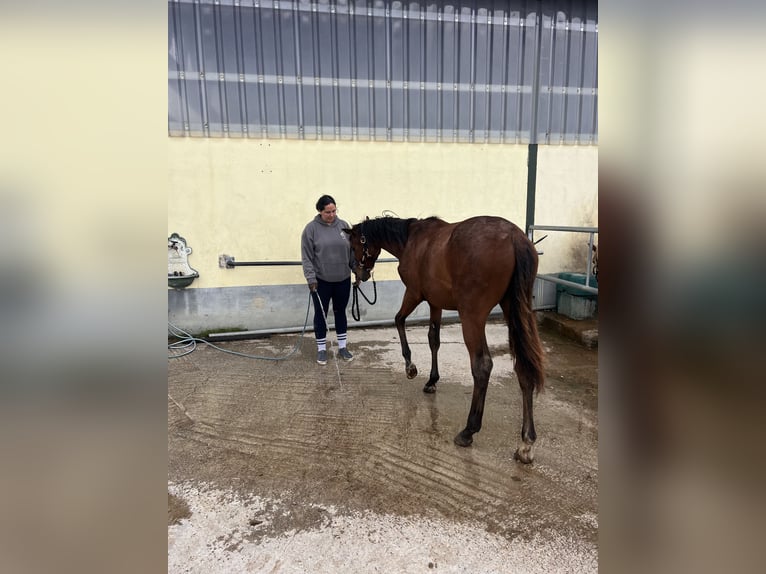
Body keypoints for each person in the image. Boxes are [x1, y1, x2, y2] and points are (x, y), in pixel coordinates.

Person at [301, 195, 357, 365]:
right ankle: (321, 350)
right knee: (321, 314)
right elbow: (307, 257)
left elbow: (352, 252)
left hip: (343, 279)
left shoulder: (344, 226)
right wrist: (311, 279)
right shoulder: (311, 229)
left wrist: (356, 270)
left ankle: (342, 347)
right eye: (327, 212)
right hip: (321, 281)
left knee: (341, 312)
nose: (331, 215)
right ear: (320, 211)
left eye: (334, 211)